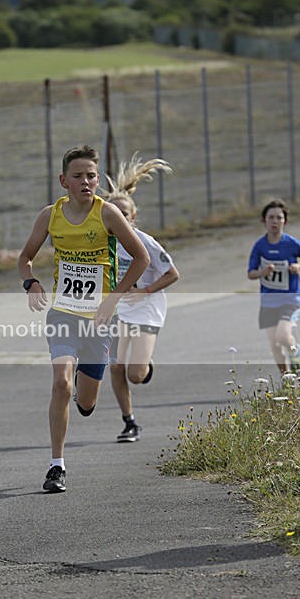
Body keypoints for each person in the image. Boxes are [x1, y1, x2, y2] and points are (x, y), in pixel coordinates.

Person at [17, 144, 150, 493]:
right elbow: (25, 258)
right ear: (64, 180)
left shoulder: (108, 215)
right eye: (78, 176)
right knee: (61, 383)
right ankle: (56, 466)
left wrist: (114, 299)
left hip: (100, 320)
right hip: (64, 313)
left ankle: (82, 387)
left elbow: (141, 259)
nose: (86, 181)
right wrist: (30, 282)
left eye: (91, 175)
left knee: (86, 402)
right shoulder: (50, 216)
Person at [105, 154, 179, 442]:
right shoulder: (103, 244)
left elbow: (173, 274)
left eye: (126, 215)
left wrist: (144, 290)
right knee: (115, 366)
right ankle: (129, 421)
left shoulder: (145, 242)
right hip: (119, 310)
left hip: (147, 308)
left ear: (133, 217)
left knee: (135, 374)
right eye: (115, 214)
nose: (121, 219)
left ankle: (144, 364)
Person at [247, 199, 300, 375]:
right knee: (274, 344)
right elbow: (250, 273)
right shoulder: (260, 246)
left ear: (285, 221)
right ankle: (287, 378)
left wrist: (299, 266)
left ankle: (296, 355)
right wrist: (263, 272)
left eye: (279, 218)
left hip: (290, 299)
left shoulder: (290, 243)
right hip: (268, 301)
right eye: (271, 217)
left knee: (283, 336)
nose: (275, 221)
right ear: (264, 221)